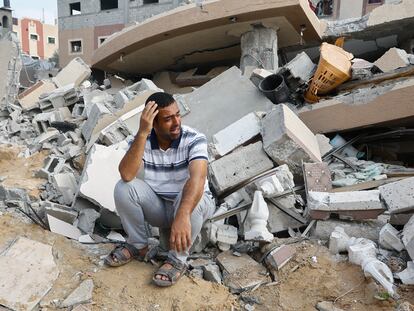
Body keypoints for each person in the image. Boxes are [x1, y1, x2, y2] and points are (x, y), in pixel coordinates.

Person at [105, 92, 215, 287]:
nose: (176, 122)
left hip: (192, 205)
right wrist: (141, 133)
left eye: (178, 115)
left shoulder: (194, 138)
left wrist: (182, 215)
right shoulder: (143, 139)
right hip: (162, 206)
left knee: (189, 195)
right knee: (124, 188)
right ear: (153, 124)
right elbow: (127, 174)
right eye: (168, 119)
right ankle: (138, 245)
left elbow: (198, 179)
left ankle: (177, 259)